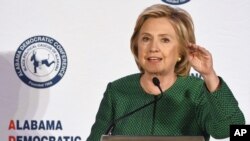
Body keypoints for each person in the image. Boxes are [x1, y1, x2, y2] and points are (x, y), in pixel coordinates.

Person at [87, 4, 245, 141]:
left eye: (165, 40)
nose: (153, 47)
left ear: (181, 51)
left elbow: (231, 130)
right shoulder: (117, 90)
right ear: (137, 46)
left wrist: (209, 75)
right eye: (146, 39)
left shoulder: (196, 91)